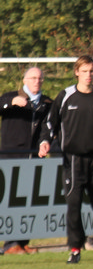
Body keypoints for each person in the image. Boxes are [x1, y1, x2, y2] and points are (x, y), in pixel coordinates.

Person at [39, 56, 93, 264]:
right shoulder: (66, 95)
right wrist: (45, 142)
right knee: (74, 205)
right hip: (73, 158)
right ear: (76, 72)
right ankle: (75, 249)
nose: (88, 75)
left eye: (91, 71)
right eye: (84, 71)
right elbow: (50, 123)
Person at [2, 66, 51, 254]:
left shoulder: (47, 103)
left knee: (28, 202)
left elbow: (48, 128)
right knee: (12, 201)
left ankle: (23, 242)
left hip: (33, 158)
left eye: (40, 78)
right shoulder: (11, 97)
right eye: (33, 78)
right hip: (11, 157)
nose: (37, 81)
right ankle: (10, 244)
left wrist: (45, 142)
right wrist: (11, 102)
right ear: (24, 80)